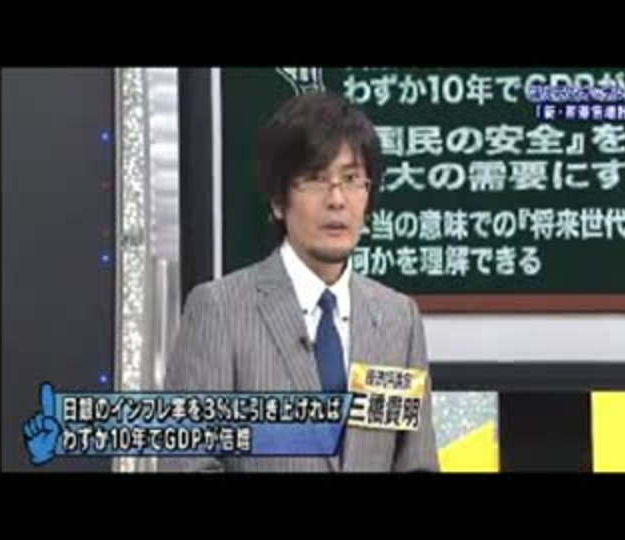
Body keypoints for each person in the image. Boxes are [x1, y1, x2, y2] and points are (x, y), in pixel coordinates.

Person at [162, 90, 439, 472]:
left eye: (352, 179)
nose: (337, 199)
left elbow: (416, 463)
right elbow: (189, 462)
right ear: (279, 200)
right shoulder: (219, 310)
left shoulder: (398, 318)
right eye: (315, 179)